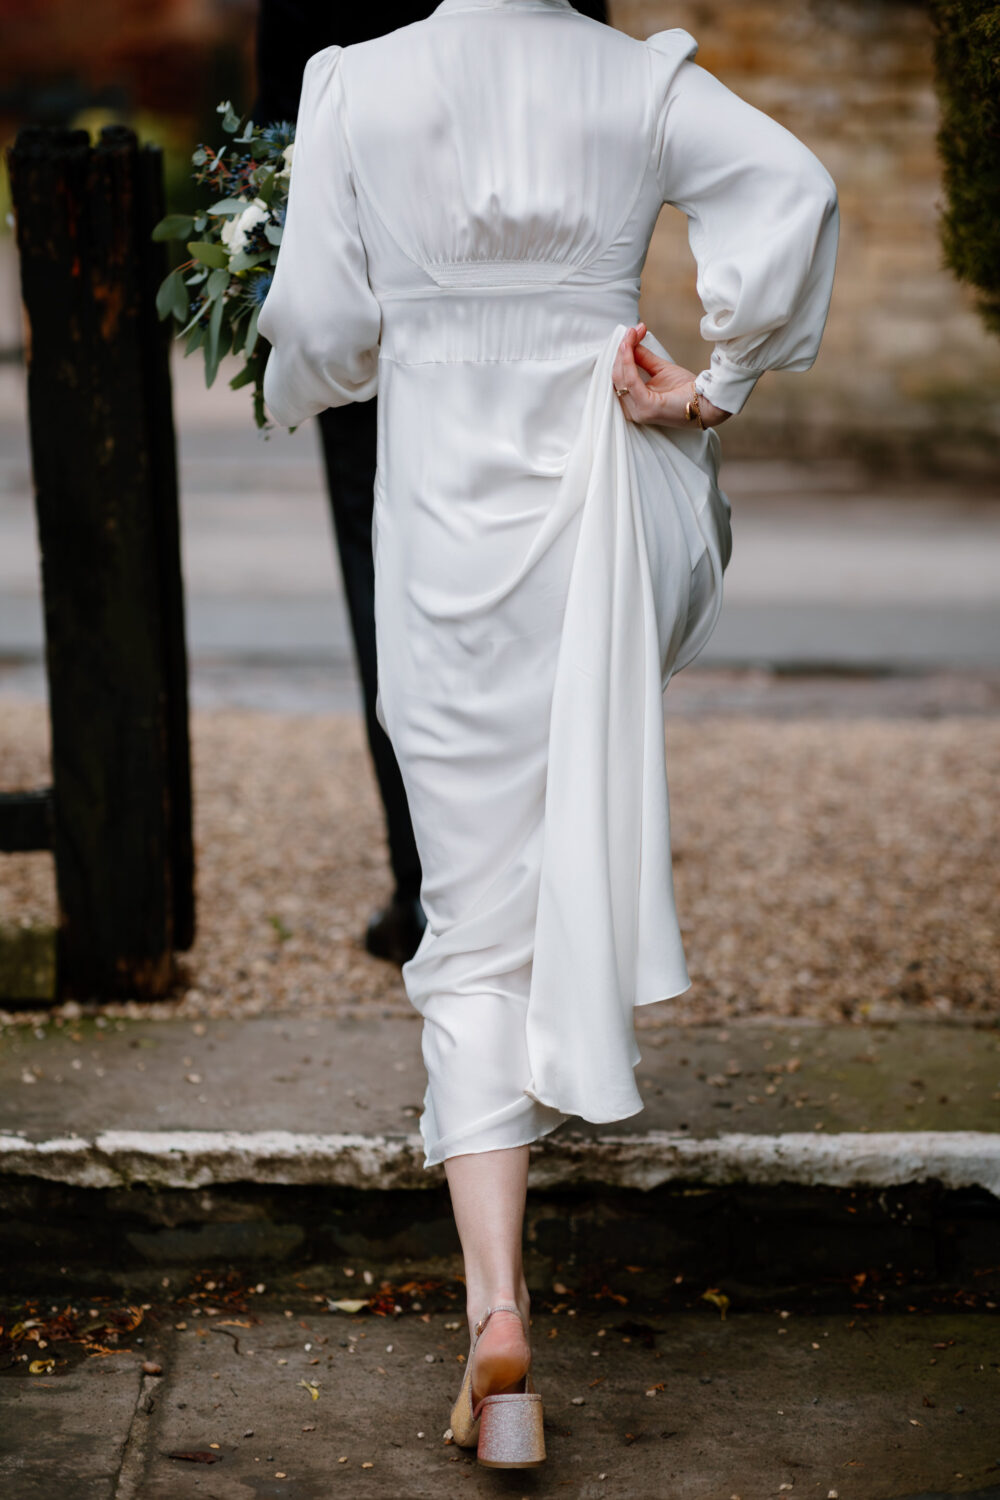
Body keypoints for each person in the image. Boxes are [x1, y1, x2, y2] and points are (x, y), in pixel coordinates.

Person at [258, 0, 838, 1468]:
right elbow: (797, 187)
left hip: (443, 540)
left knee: (468, 922)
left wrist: (335, 358)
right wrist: (718, 384)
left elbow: (324, 333)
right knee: (550, 849)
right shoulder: (634, 80)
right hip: (593, 513)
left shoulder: (356, 84)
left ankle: (499, 1319)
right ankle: (504, 1323)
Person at [254, 0, 609, 966]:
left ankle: (431, 883)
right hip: (543, 299)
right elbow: (586, 64)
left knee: (390, 580)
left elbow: (278, 119)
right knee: (546, 574)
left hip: (375, 280)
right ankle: (549, 880)